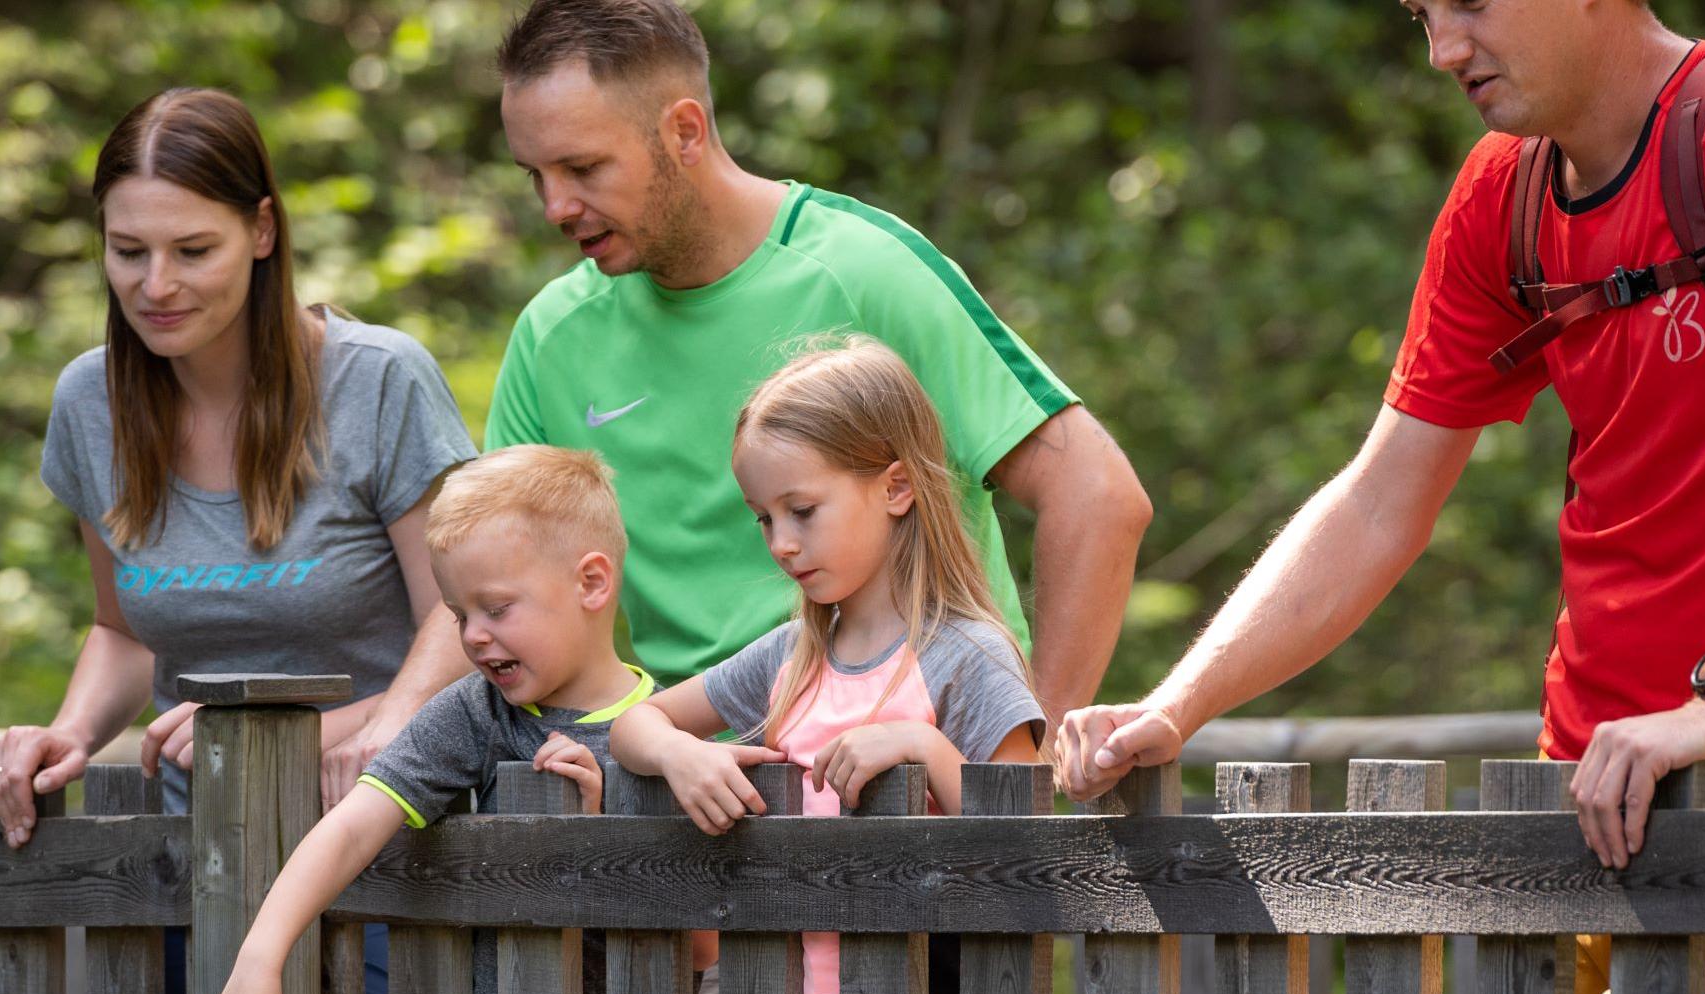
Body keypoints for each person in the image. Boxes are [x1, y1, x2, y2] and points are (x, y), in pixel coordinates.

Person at [1054, 1, 1705, 994]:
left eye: (1470, 4)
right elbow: (1381, 499)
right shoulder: (1502, 192)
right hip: (1580, 785)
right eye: (1422, 15)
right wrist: (1177, 705)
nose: (1443, 51)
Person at [326, 0, 1150, 800]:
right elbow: (487, 572)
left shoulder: (864, 271)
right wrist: (391, 719)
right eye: (534, 175)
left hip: (908, 821)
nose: (554, 207)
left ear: (683, 131)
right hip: (674, 805)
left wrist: (1020, 778)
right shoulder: (554, 332)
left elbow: (1097, 495)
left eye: (582, 168)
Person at [0, 87, 475, 994]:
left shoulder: (380, 382)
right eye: (127, 252)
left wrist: (367, 726)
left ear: (261, 231)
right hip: (194, 863)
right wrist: (69, 733)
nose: (154, 285)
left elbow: (461, 613)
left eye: (190, 250)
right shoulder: (90, 403)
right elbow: (120, 629)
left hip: (382, 849)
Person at [610, 339, 1046, 994]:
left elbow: (1031, 844)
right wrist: (678, 754)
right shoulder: (789, 657)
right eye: (763, 518)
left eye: (802, 510)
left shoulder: (968, 656)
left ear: (896, 488)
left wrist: (925, 749)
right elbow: (634, 723)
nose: (780, 541)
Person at [216, 445, 651, 994]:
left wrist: (598, 833)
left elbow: (702, 949)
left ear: (591, 583)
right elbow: (348, 829)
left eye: (495, 608)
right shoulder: (475, 711)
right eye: (457, 614)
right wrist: (259, 960)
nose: (472, 636)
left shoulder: (670, 729)